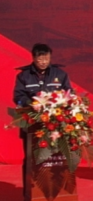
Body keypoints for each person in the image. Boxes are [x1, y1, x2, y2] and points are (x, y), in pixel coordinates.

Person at [13, 44, 72, 191]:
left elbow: (69, 94)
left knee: (56, 158)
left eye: (46, 58)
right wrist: (33, 103)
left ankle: (58, 191)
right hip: (32, 124)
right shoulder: (23, 76)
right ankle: (29, 194)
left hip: (56, 125)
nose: (44, 62)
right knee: (31, 159)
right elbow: (18, 97)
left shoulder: (60, 74)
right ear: (34, 58)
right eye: (40, 59)